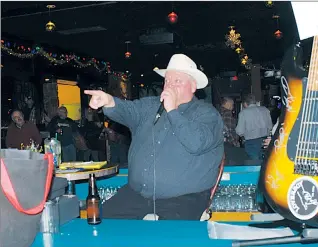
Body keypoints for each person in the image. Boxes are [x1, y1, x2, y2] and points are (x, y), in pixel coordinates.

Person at [85, 54, 224, 220]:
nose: (170, 86)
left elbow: (196, 143)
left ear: (193, 86)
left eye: (177, 81)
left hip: (185, 198)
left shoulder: (207, 114)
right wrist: (108, 101)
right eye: (167, 81)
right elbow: (128, 110)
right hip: (138, 194)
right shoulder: (150, 106)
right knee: (101, 222)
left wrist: (172, 111)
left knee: (169, 238)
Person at [235, 94, 273, 160]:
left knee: (254, 165)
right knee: (265, 163)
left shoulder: (243, 113)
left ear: (245, 103)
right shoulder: (265, 110)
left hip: (251, 143)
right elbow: (270, 126)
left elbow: (239, 131)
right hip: (266, 141)